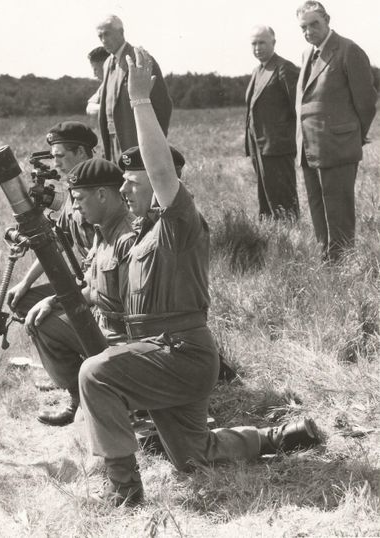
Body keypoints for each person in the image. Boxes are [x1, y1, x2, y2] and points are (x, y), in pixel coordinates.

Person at [78, 47, 320, 507]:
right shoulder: (139, 233)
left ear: (159, 182)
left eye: (133, 181)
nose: (123, 189)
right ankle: (278, 437)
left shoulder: (179, 222)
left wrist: (139, 101)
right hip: (161, 353)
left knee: (95, 375)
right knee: (192, 455)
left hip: (181, 353)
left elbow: (162, 170)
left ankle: (124, 489)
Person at [13, 158, 136, 426]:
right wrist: (53, 301)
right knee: (41, 321)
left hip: (126, 340)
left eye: (79, 198)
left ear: (102, 195)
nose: (75, 206)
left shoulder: (128, 237)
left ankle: (113, 397)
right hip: (105, 327)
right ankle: (81, 398)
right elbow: (93, 286)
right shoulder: (103, 231)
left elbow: (136, 310)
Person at [7, 121, 97, 422]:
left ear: (81, 152)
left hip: (100, 289)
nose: (54, 162)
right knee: (22, 301)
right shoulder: (74, 189)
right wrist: (24, 282)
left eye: (60, 155)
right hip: (85, 283)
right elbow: (58, 242)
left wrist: (57, 300)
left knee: (41, 318)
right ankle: (70, 370)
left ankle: (78, 393)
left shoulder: (99, 190)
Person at [295, 1, 377, 261]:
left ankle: (343, 266)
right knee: (318, 209)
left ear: (327, 19)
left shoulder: (348, 50)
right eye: (303, 27)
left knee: (338, 211)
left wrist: (351, 135)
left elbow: (366, 103)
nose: (309, 32)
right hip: (309, 148)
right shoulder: (307, 54)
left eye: (314, 24)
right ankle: (326, 261)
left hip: (338, 147)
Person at [96, 14, 172, 163]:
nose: (104, 40)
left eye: (107, 34)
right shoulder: (107, 64)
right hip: (112, 143)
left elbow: (163, 105)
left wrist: (154, 143)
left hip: (136, 143)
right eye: (100, 36)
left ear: (121, 32)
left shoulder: (139, 58)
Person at [245, 25, 300, 220]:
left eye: (262, 42)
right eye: (254, 43)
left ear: (273, 43)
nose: (258, 47)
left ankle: (291, 239)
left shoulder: (284, 67)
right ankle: (271, 237)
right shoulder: (257, 70)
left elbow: (299, 108)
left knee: (283, 198)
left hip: (278, 146)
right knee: (266, 197)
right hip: (258, 147)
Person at [86, 46, 110, 118]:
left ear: (105, 65)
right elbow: (89, 107)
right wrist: (108, 109)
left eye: (95, 69)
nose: (94, 74)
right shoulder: (104, 85)